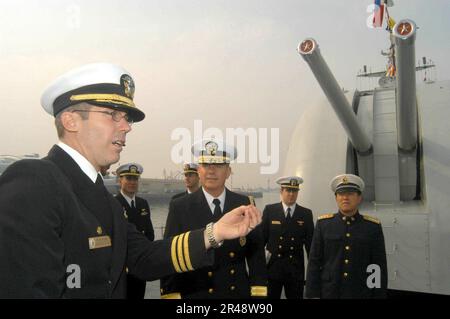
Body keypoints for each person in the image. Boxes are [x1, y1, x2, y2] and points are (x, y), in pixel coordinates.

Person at [0, 63, 262, 298]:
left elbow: (144, 258)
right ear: (71, 120)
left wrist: (214, 233)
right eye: (114, 114)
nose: (127, 127)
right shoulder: (34, 182)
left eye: (126, 118)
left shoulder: (106, 202)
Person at [160, 139, 268, 299]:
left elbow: (256, 256)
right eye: (206, 165)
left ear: (228, 171)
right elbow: (170, 254)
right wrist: (171, 294)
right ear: (198, 170)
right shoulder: (180, 207)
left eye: (218, 165)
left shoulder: (244, 205)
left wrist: (258, 295)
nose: (211, 171)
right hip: (196, 294)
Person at [305, 174, 388, 299]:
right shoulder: (324, 225)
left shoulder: (372, 227)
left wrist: (378, 295)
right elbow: (314, 263)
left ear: (359, 197)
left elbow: (377, 266)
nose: (345, 198)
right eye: (341, 194)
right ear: (336, 198)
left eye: (350, 193)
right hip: (330, 292)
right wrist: (312, 295)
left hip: (361, 292)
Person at [261, 176, 314, 299]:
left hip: (295, 270)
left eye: (294, 191)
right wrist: (259, 269)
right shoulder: (270, 210)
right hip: (273, 269)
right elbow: (261, 240)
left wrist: (313, 274)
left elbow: (310, 246)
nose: (291, 194)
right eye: (288, 190)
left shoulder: (305, 214)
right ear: (281, 191)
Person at [115, 162, 155, 299]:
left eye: (135, 179)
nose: (132, 182)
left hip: (140, 265)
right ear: (120, 180)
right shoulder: (114, 204)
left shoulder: (143, 204)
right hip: (122, 268)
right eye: (128, 178)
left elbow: (149, 234)